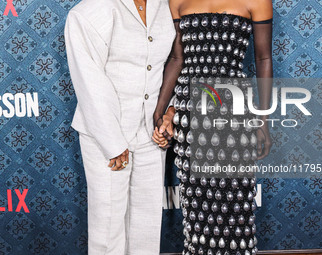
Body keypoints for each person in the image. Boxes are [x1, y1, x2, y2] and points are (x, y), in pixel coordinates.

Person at [152, 0, 274, 254]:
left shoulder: (257, 1)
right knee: (196, 204)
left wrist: (263, 120)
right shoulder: (177, 1)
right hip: (189, 109)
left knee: (236, 199)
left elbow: (263, 59)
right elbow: (177, 58)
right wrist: (160, 108)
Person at [64, 0, 176, 254]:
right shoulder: (90, 11)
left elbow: (175, 62)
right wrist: (112, 142)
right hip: (105, 135)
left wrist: (169, 114)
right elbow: (89, 80)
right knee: (108, 227)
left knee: (146, 226)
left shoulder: (165, 4)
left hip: (151, 133)